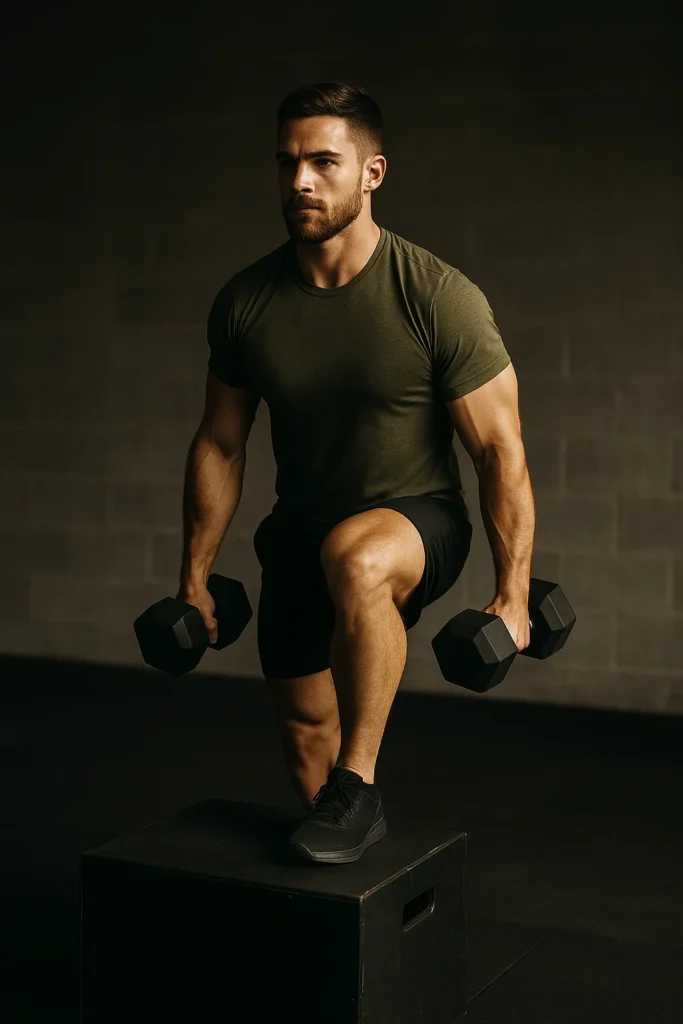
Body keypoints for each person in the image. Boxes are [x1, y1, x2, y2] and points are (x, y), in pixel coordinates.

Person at [177, 82, 535, 865]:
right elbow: (219, 445)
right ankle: (342, 874)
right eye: (287, 162)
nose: (299, 180)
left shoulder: (437, 296)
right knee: (305, 735)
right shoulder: (246, 302)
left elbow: (497, 450)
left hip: (415, 521)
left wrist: (512, 597)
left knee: (357, 555)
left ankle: (360, 782)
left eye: (323, 162)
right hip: (301, 533)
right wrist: (195, 578)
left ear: (372, 173)